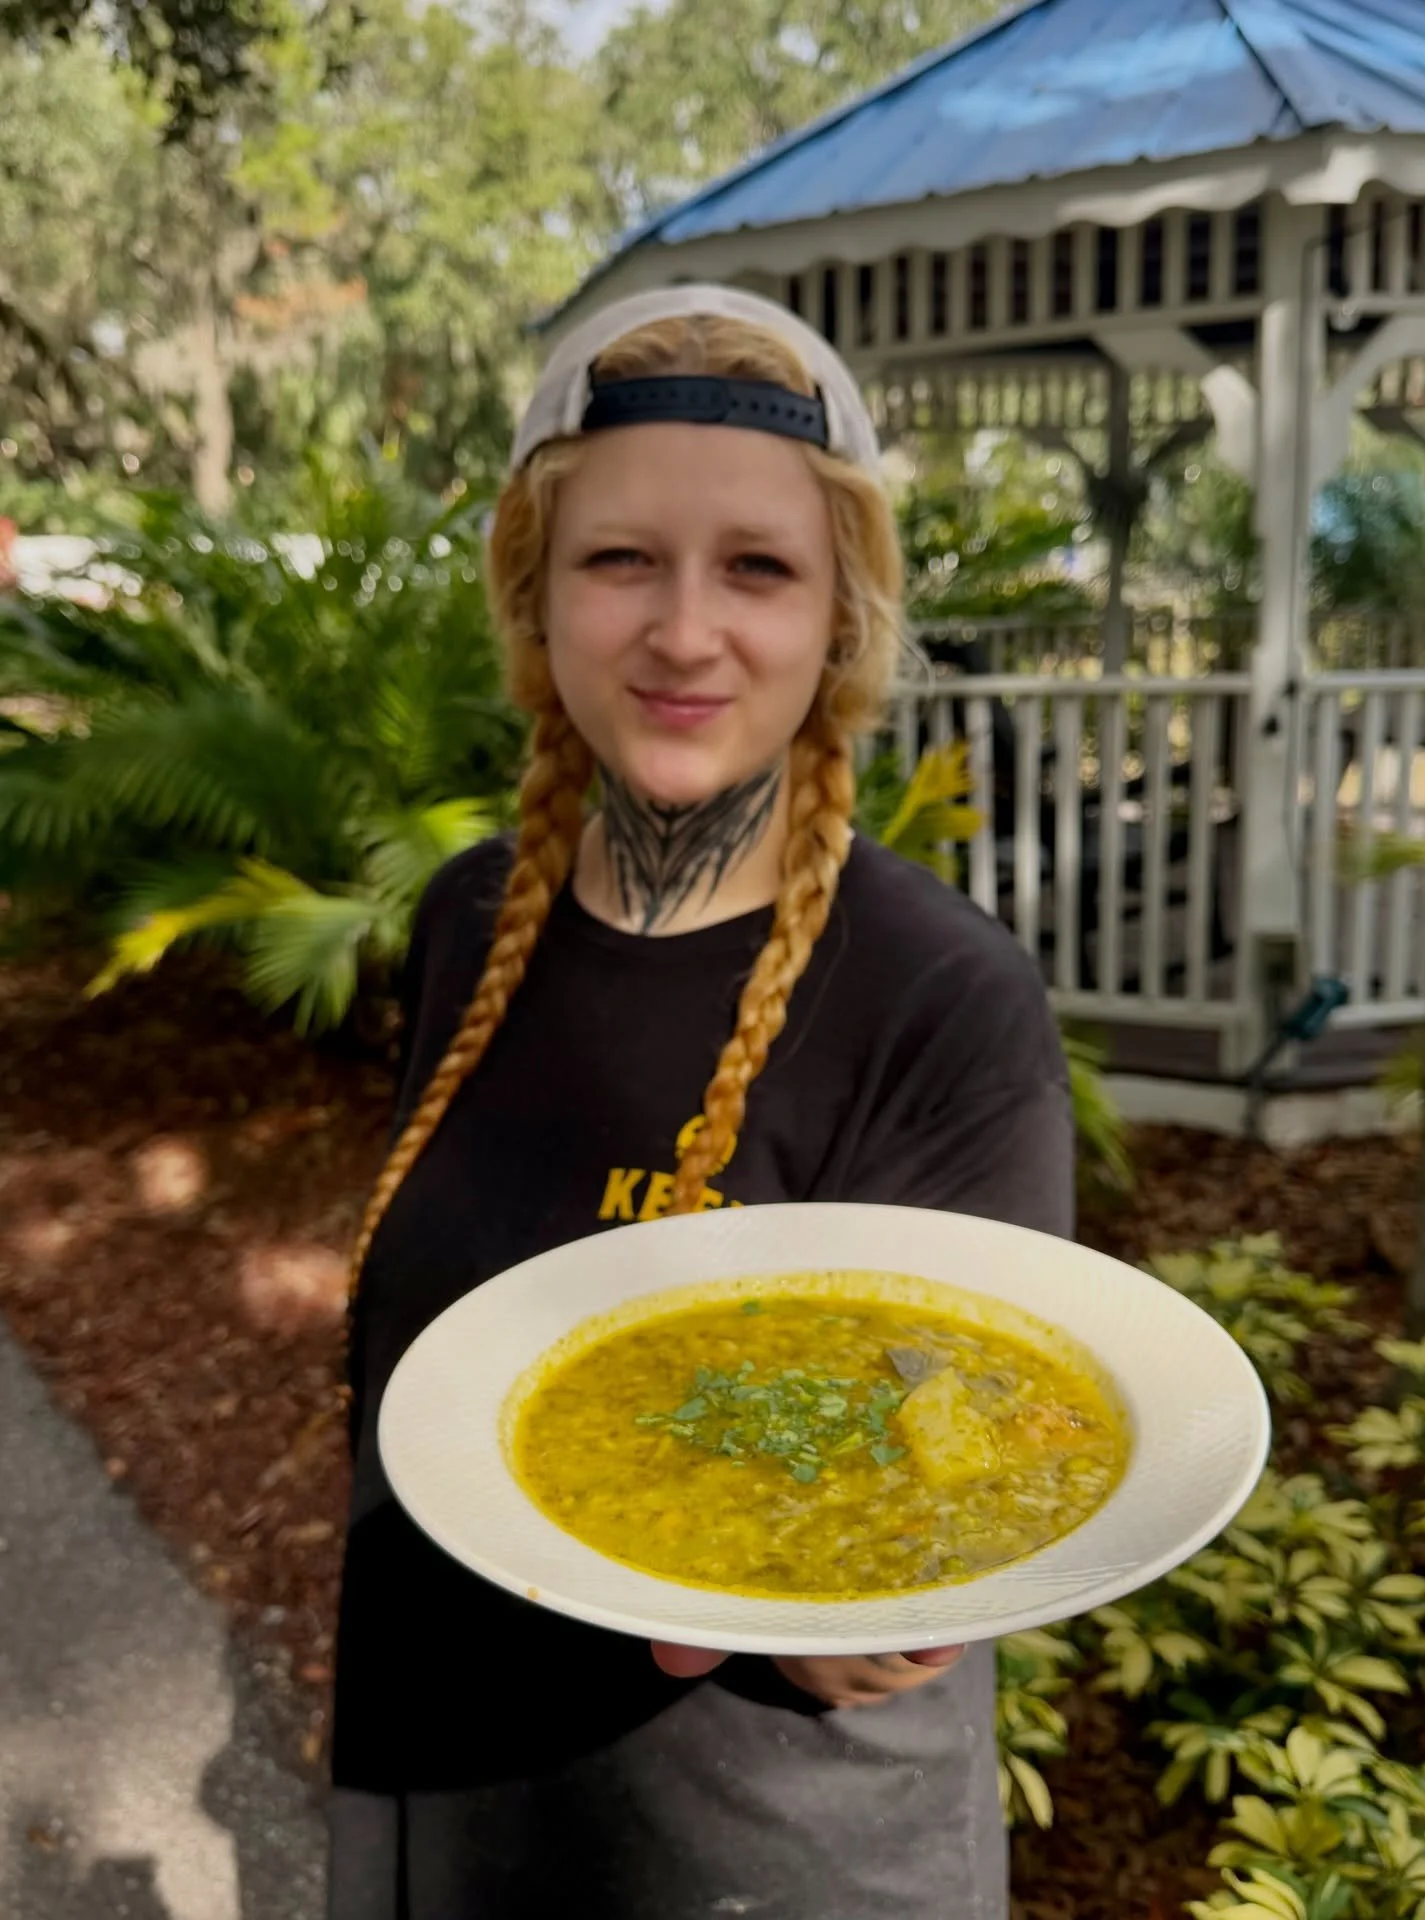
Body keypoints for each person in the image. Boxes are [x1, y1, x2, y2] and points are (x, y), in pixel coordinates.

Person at [329, 283, 1073, 1920]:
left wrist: (878, 1611)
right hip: (441, 1798)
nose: (683, 632)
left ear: (839, 618)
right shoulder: (464, 922)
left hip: (761, 1861)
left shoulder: (939, 998)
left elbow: (963, 1464)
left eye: (757, 567)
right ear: (535, 600)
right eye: (619, 562)